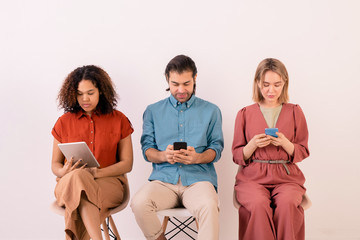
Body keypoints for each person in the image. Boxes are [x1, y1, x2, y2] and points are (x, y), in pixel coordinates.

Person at [131, 55, 224, 240]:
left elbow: (217, 148)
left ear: (195, 78)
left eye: (186, 83)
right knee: (139, 203)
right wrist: (164, 156)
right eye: (175, 84)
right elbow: (147, 150)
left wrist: (197, 158)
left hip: (199, 180)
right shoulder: (152, 111)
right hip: (164, 181)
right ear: (167, 80)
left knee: (209, 205)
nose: (181, 90)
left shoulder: (212, 111)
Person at [51, 65, 134, 240]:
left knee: (82, 193)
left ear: (101, 91)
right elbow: (55, 165)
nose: (84, 99)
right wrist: (63, 171)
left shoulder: (119, 119)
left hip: (108, 183)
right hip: (69, 184)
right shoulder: (63, 122)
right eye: (80, 94)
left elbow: (127, 164)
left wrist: (96, 172)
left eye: (90, 93)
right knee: (78, 177)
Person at [232, 58, 310, 240]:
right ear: (258, 83)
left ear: (285, 84)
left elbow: (303, 150)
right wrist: (251, 146)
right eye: (266, 84)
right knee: (258, 204)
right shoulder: (244, 113)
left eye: (277, 84)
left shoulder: (295, 111)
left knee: (287, 203)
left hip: (286, 177)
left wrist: (285, 143)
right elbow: (236, 155)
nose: (271, 90)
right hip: (252, 178)